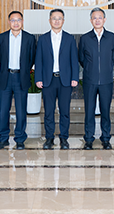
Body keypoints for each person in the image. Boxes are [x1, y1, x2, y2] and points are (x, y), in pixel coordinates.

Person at [35, 9, 79, 150]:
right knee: (48, 111)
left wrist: (74, 77)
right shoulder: (43, 39)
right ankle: (49, 138)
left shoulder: (69, 38)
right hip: (48, 80)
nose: (57, 21)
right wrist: (38, 78)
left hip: (65, 80)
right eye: (54, 18)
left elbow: (74, 60)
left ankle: (64, 138)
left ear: (63, 21)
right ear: (49, 21)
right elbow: (38, 60)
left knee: (64, 111)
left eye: (59, 18)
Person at [78, 8, 114, 150]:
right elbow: (81, 58)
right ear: (91, 20)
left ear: (104, 20)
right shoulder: (85, 38)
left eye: (100, 17)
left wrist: (105, 68)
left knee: (105, 110)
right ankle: (89, 138)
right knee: (89, 110)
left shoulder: (112, 37)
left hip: (106, 80)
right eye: (94, 18)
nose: (97, 20)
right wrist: (91, 69)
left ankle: (106, 138)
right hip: (89, 80)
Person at [0, 11, 36, 150]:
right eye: (13, 20)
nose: (16, 23)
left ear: (22, 21)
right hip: (6, 76)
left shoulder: (29, 38)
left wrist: (24, 70)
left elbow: (31, 57)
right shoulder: (1, 38)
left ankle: (20, 138)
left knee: (21, 110)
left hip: (21, 77)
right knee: (3, 110)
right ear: (9, 22)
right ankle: (3, 139)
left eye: (18, 20)